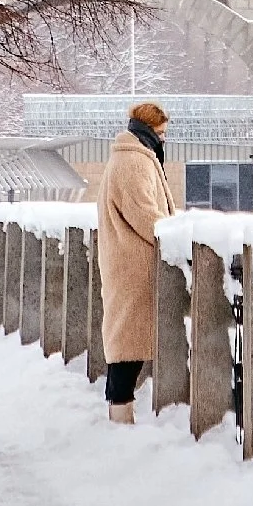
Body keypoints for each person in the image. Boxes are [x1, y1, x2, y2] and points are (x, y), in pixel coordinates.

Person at [96, 101, 173, 422]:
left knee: (127, 337)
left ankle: (120, 411)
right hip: (134, 263)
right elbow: (144, 214)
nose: (165, 139)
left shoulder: (128, 157)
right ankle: (119, 415)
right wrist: (171, 233)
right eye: (162, 133)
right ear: (149, 131)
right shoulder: (133, 162)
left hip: (128, 259)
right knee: (128, 341)